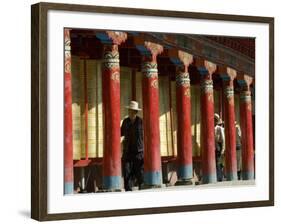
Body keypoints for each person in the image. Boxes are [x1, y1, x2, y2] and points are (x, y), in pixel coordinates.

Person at [121, 101, 144, 191]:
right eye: (129, 110)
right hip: (127, 151)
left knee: (140, 173)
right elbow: (121, 133)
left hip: (139, 151)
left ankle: (141, 189)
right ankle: (128, 190)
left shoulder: (140, 122)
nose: (130, 112)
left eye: (132, 111)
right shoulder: (125, 122)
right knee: (127, 172)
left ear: (135, 112)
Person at [214, 113, 225, 182]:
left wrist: (223, 149)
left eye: (215, 120)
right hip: (214, 146)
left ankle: (219, 177)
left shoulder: (219, 128)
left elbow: (223, 139)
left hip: (219, 146)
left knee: (219, 162)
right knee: (215, 162)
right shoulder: (212, 128)